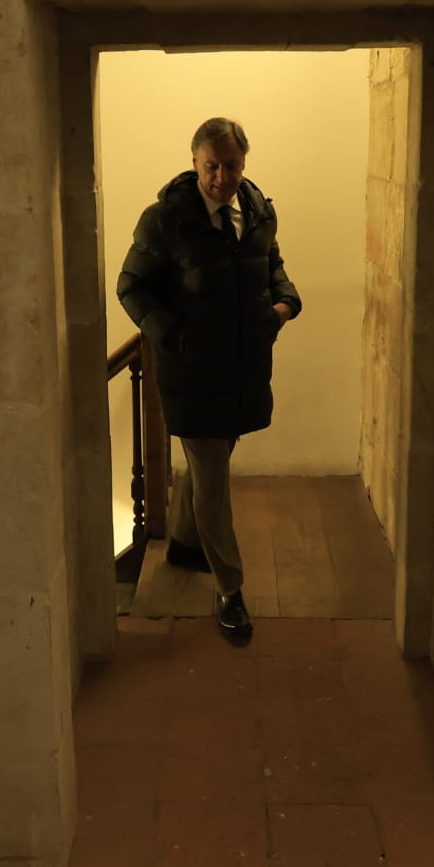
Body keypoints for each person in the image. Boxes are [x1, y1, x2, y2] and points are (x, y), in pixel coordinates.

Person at [117, 117, 301, 644]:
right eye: (211, 165)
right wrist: (173, 336)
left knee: (210, 463)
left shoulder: (258, 213)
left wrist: (284, 305)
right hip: (192, 373)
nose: (222, 176)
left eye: (232, 165)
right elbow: (132, 287)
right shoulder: (165, 220)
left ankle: (182, 543)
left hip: (243, 369)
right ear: (195, 161)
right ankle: (230, 590)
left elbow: (273, 267)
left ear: (244, 163)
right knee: (214, 484)